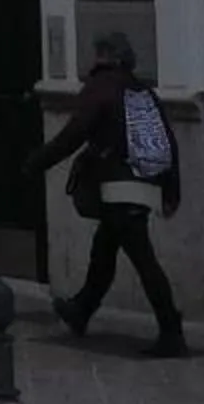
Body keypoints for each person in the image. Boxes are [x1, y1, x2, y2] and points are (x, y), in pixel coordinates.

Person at [28, 29, 188, 357]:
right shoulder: (141, 90)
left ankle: (171, 329)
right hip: (145, 183)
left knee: (143, 259)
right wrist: (172, 190)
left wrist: (36, 162)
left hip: (119, 185)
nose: (94, 56)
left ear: (107, 56)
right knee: (104, 248)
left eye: (99, 51)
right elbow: (167, 141)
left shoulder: (100, 88)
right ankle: (81, 309)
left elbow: (73, 134)